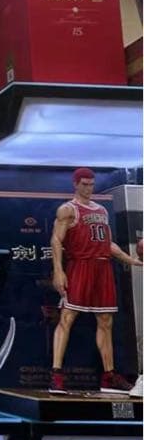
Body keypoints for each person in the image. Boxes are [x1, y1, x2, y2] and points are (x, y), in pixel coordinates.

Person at [50, 167, 142, 394]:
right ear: (75, 184)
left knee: (106, 321)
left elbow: (107, 244)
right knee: (67, 318)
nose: (88, 188)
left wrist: (131, 260)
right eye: (84, 184)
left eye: (91, 184)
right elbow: (56, 240)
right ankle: (56, 375)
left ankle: (109, 376)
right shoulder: (67, 209)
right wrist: (58, 271)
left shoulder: (101, 210)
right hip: (80, 265)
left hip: (103, 267)